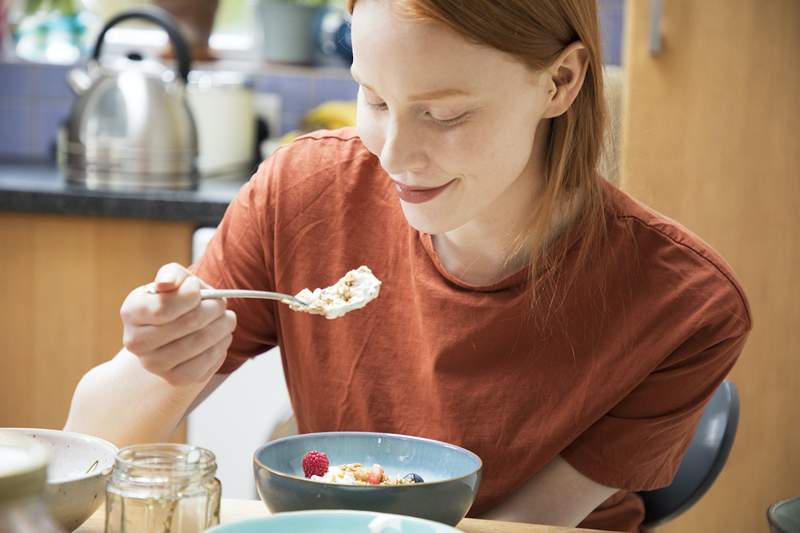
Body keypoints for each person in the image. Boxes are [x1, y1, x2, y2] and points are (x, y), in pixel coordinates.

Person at [64, 1, 752, 531]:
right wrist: (158, 364)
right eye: (375, 99)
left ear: (560, 82)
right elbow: (83, 456)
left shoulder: (684, 304)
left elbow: (513, 525)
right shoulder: (306, 191)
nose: (394, 154)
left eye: (445, 114)